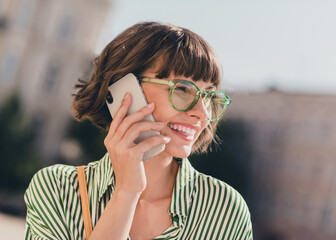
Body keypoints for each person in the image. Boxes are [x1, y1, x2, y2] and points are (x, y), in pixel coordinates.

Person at [24, 22, 253, 240]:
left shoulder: (226, 209)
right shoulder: (57, 189)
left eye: (208, 96)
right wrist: (126, 192)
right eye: (183, 89)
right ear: (126, 90)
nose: (202, 114)